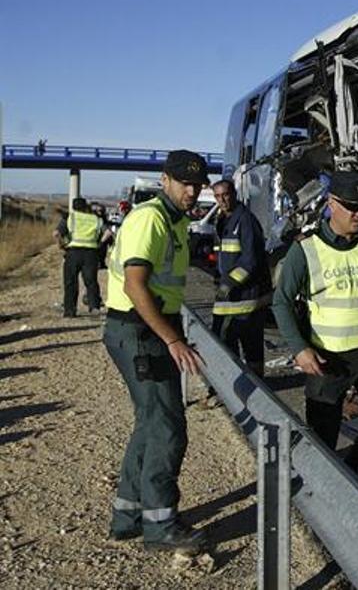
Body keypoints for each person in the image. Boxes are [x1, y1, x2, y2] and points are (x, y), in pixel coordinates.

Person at [103, 150, 209, 552]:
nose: (192, 190)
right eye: (184, 182)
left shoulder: (176, 222)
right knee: (167, 429)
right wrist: (172, 339)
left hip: (144, 330)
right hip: (139, 332)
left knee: (150, 424)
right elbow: (135, 286)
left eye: (197, 184)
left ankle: (128, 517)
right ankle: (161, 527)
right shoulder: (152, 218)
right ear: (165, 179)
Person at [271, 171, 358, 478]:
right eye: (352, 207)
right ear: (331, 204)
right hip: (326, 357)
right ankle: (323, 492)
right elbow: (282, 302)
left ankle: (353, 477)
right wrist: (300, 350)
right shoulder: (306, 250)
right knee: (322, 437)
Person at [210, 179, 270, 379]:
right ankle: (241, 386)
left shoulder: (245, 221)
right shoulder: (223, 220)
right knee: (236, 343)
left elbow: (250, 260)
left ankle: (244, 387)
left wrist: (229, 282)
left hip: (244, 298)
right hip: (232, 298)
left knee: (236, 342)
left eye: (225, 194)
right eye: (217, 196)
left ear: (234, 194)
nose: (222, 200)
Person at [55, 197, 109, 317]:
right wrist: (99, 244)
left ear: (73, 207)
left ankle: (70, 311)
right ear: (85, 207)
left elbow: (56, 233)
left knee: (70, 282)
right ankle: (94, 307)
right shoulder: (95, 218)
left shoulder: (70, 217)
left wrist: (61, 245)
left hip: (73, 253)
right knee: (91, 281)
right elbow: (108, 232)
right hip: (91, 253)